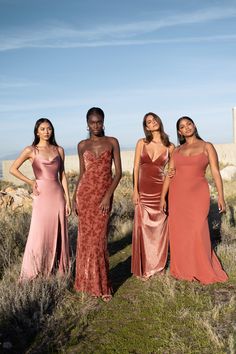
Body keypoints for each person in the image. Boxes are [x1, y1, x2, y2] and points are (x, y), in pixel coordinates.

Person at [160, 116, 228, 284]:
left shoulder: (207, 146)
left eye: (189, 124)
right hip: (177, 195)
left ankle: (202, 267)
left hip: (198, 194)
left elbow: (215, 172)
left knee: (198, 230)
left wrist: (221, 196)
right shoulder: (176, 150)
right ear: (179, 132)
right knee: (180, 232)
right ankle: (184, 269)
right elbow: (170, 174)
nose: (187, 128)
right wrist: (163, 197)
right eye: (182, 126)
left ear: (194, 125)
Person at [10, 118, 71, 281]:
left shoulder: (59, 150)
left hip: (57, 195)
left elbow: (62, 176)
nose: (46, 131)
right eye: (43, 129)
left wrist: (68, 201)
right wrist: (30, 182)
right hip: (42, 195)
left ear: (52, 131)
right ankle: (35, 270)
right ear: (37, 132)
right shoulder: (31, 150)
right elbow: (13, 169)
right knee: (39, 232)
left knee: (58, 231)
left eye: (49, 128)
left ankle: (57, 270)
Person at [73, 107, 122, 302]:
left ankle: (103, 286)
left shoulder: (112, 142)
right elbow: (82, 173)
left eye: (99, 122)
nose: (96, 125)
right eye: (92, 122)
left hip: (103, 197)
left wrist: (107, 196)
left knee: (99, 241)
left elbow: (118, 173)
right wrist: (75, 197)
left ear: (103, 121)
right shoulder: (81, 145)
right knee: (85, 241)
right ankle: (85, 283)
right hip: (85, 196)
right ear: (87, 123)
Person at [131, 112, 174, 280]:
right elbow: (135, 168)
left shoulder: (170, 146)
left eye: (154, 119)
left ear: (159, 122)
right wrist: (135, 190)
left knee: (160, 229)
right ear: (146, 127)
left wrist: (165, 195)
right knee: (143, 229)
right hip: (143, 191)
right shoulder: (141, 143)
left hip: (159, 191)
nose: (153, 122)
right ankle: (144, 267)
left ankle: (158, 266)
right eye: (149, 121)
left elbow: (170, 172)